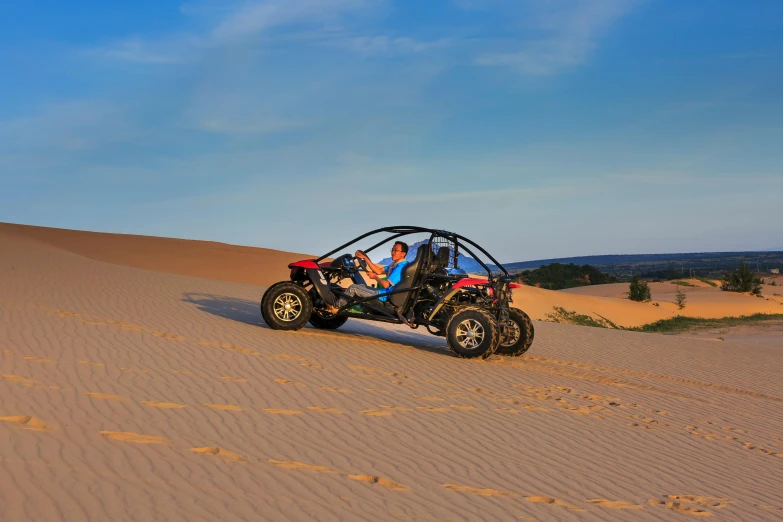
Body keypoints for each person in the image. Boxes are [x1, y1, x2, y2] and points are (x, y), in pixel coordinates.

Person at [329, 241, 409, 311]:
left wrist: (374, 276)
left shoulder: (401, 266)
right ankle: (345, 306)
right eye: (392, 250)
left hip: (383, 295)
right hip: (383, 293)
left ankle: (335, 308)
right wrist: (366, 259)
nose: (392, 252)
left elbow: (386, 284)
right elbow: (378, 270)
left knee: (353, 288)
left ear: (403, 254)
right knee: (360, 286)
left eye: (396, 250)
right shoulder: (395, 264)